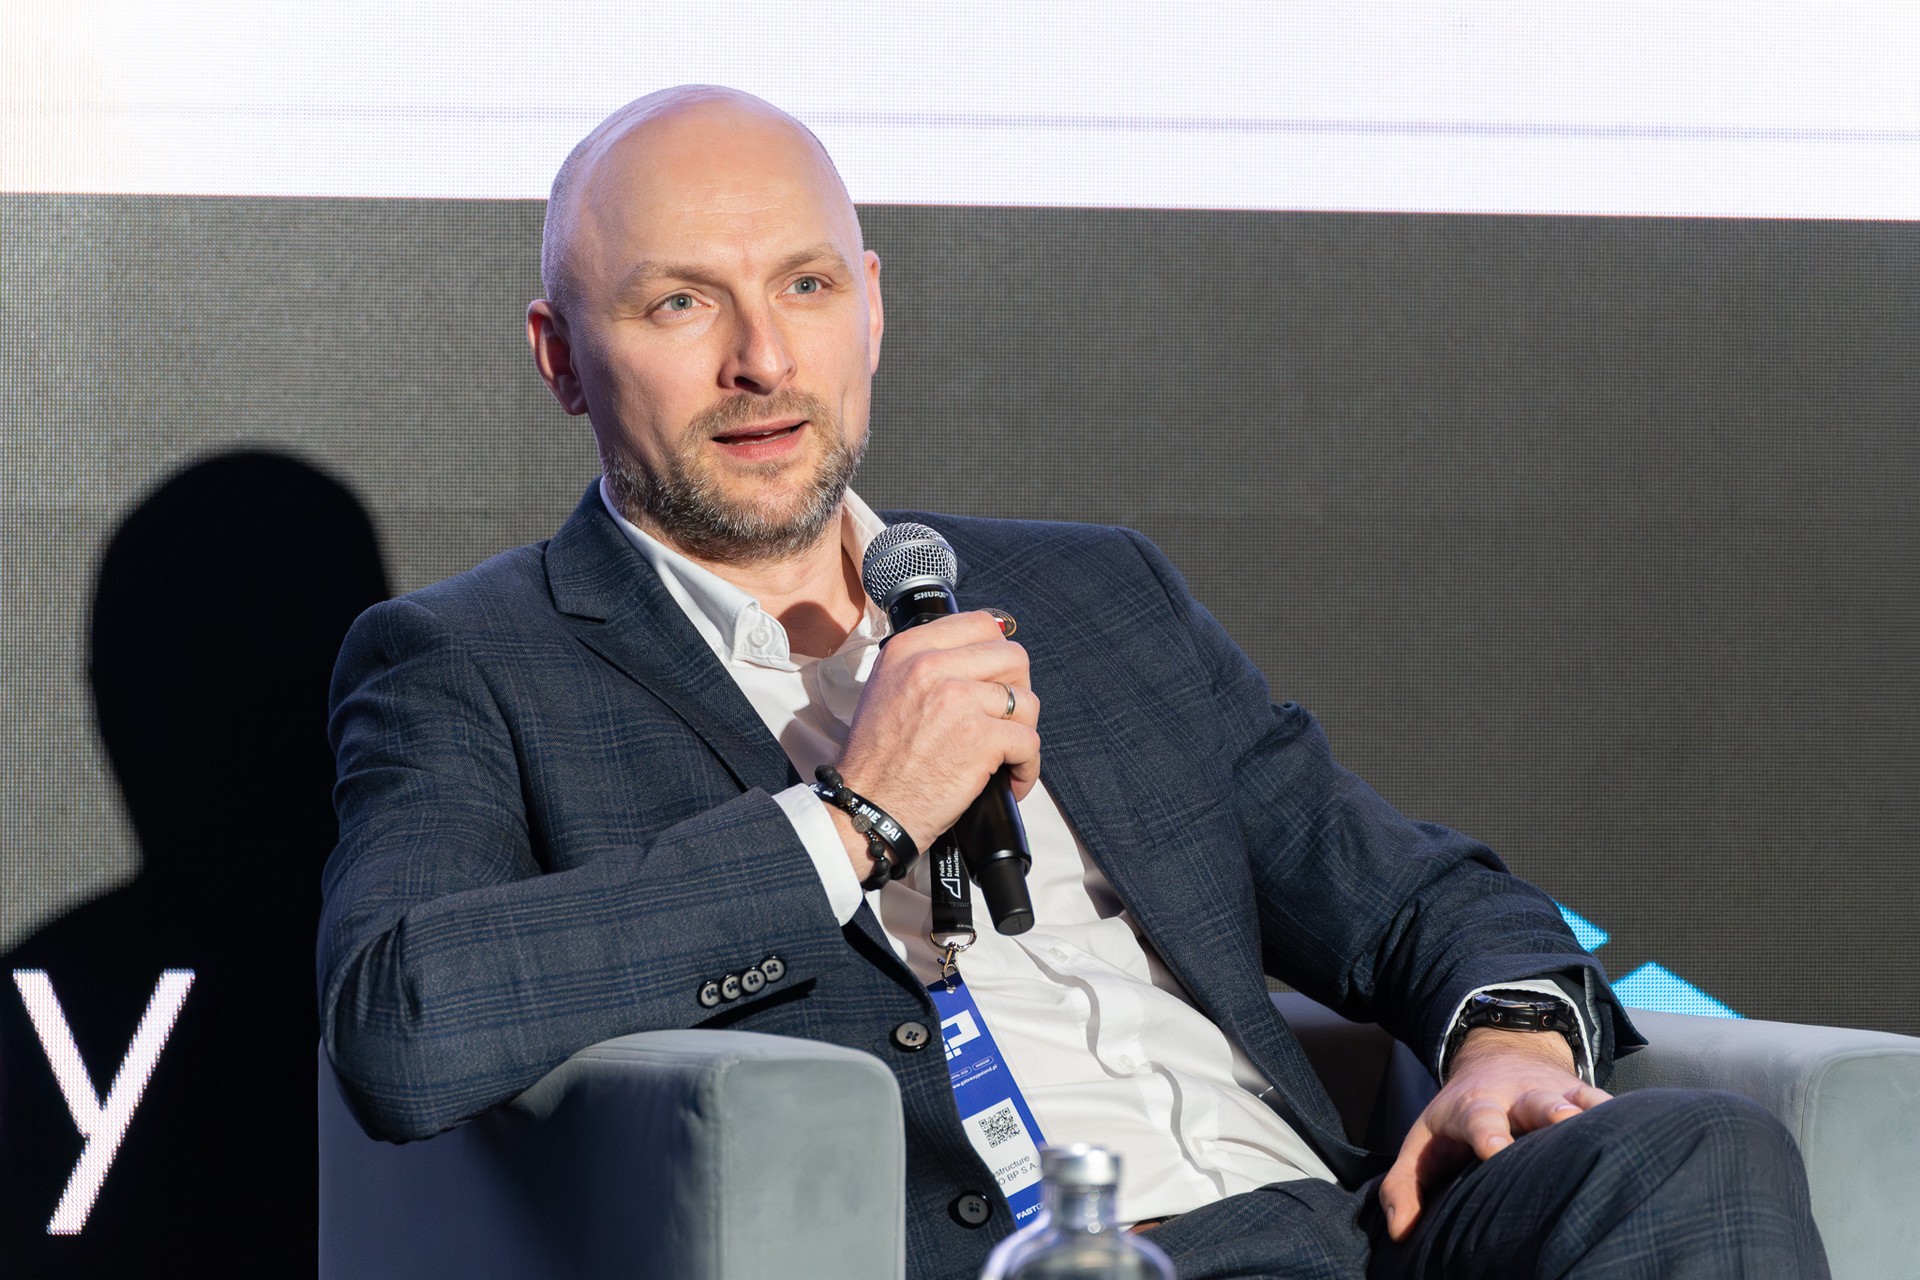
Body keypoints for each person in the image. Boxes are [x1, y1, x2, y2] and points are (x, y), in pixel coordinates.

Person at [318, 86, 1827, 1279]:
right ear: (560, 356)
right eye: (679, 305)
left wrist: (1510, 1041)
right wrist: (853, 820)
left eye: (805, 284)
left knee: (1693, 1156)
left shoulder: (1095, 594)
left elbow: (1413, 892)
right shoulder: (471, 661)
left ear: (872, 306)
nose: (764, 359)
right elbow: (400, 1021)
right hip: (1022, 1255)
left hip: (1327, 1234)